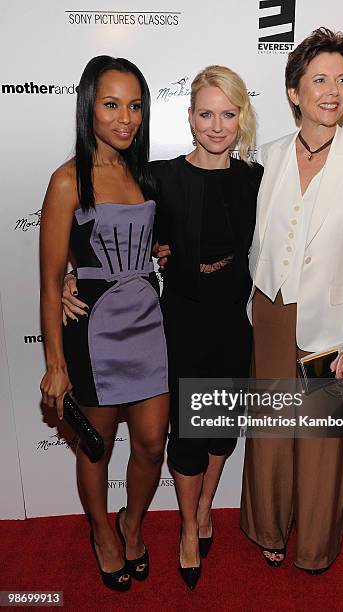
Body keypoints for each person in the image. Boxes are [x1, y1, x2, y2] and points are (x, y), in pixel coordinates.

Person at [63, 65, 263, 589]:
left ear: (242, 118)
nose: (217, 125)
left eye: (228, 113)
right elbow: (105, 229)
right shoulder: (158, 176)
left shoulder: (257, 178)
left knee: (221, 429)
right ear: (190, 118)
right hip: (174, 322)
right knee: (182, 433)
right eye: (205, 113)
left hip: (232, 321)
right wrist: (70, 276)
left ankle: (201, 512)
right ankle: (186, 530)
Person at [240, 28, 343, 573]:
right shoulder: (269, 155)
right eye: (319, 79)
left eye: (342, 80)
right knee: (271, 431)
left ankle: (315, 546)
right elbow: (250, 235)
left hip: (332, 320)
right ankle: (268, 527)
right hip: (270, 313)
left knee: (322, 439)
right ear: (293, 91)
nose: (332, 91)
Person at [39, 56, 169, 592]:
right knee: (97, 444)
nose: (125, 118)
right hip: (94, 333)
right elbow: (50, 281)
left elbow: (150, 241)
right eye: (111, 104)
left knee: (151, 444)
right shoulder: (67, 181)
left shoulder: (145, 173)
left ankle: (132, 523)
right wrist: (55, 364)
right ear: (88, 106)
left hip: (148, 323)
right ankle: (102, 533)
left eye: (134, 106)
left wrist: (159, 250)